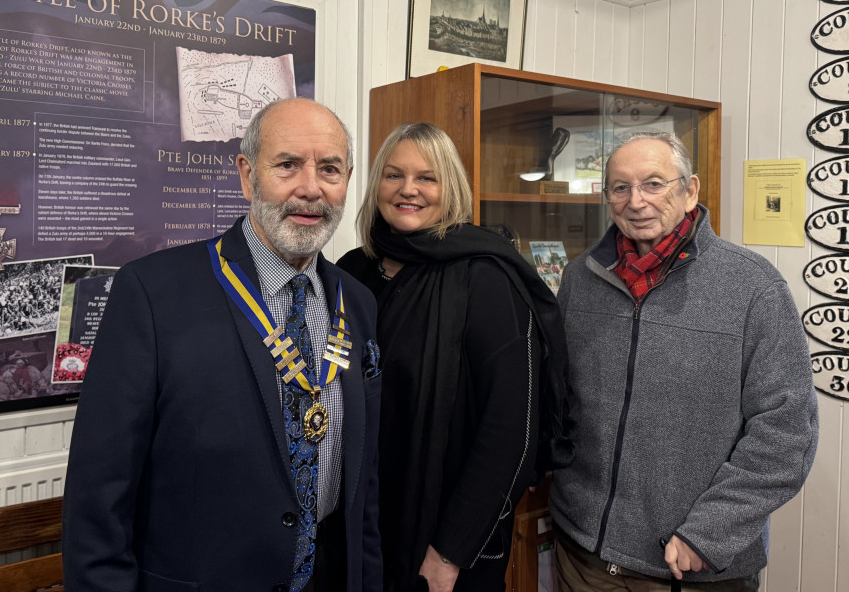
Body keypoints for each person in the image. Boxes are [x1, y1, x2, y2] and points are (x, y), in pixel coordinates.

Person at [63, 98, 383, 592]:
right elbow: (99, 492)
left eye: (330, 169)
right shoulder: (152, 294)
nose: (310, 188)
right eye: (288, 165)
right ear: (247, 175)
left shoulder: (357, 303)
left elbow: (364, 484)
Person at [550, 131, 819, 591]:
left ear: (690, 189)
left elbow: (787, 431)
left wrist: (708, 533)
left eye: (654, 183)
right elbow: (561, 398)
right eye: (620, 187)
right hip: (583, 554)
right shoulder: (580, 279)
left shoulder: (753, 287)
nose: (636, 201)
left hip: (689, 566)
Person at [337, 122, 572, 592]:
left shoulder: (486, 278)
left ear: (452, 188)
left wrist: (450, 551)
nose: (408, 190)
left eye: (427, 177)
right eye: (393, 175)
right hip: (358, 523)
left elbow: (510, 433)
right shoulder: (352, 270)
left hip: (444, 540)